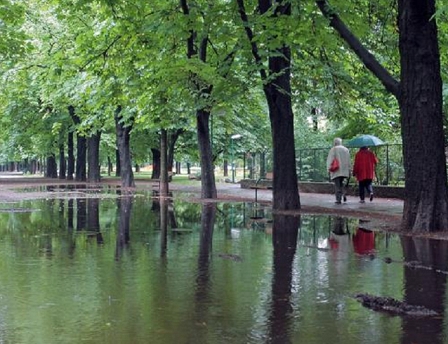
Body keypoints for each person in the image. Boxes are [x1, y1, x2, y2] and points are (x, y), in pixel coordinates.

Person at [326, 138, 351, 204]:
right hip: (344, 170)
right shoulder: (346, 150)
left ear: (335, 142)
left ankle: (338, 199)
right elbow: (348, 160)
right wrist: (349, 169)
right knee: (342, 184)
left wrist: (328, 169)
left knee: (337, 185)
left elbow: (330, 160)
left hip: (336, 170)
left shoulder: (333, 149)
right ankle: (344, 194)